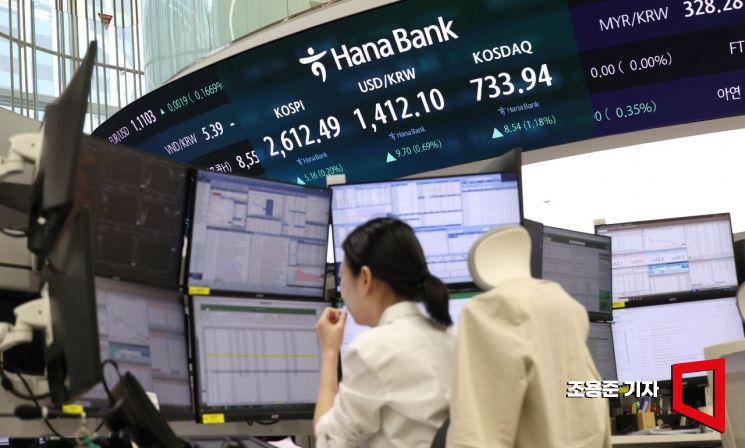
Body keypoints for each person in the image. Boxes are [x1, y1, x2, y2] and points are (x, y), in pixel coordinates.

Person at [314, 217, 455, 448]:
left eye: (342, 276)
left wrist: (330, 352)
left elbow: (328, 443)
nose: (341, 287)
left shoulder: (371, 350)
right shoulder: (452, 337)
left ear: (365, 278)